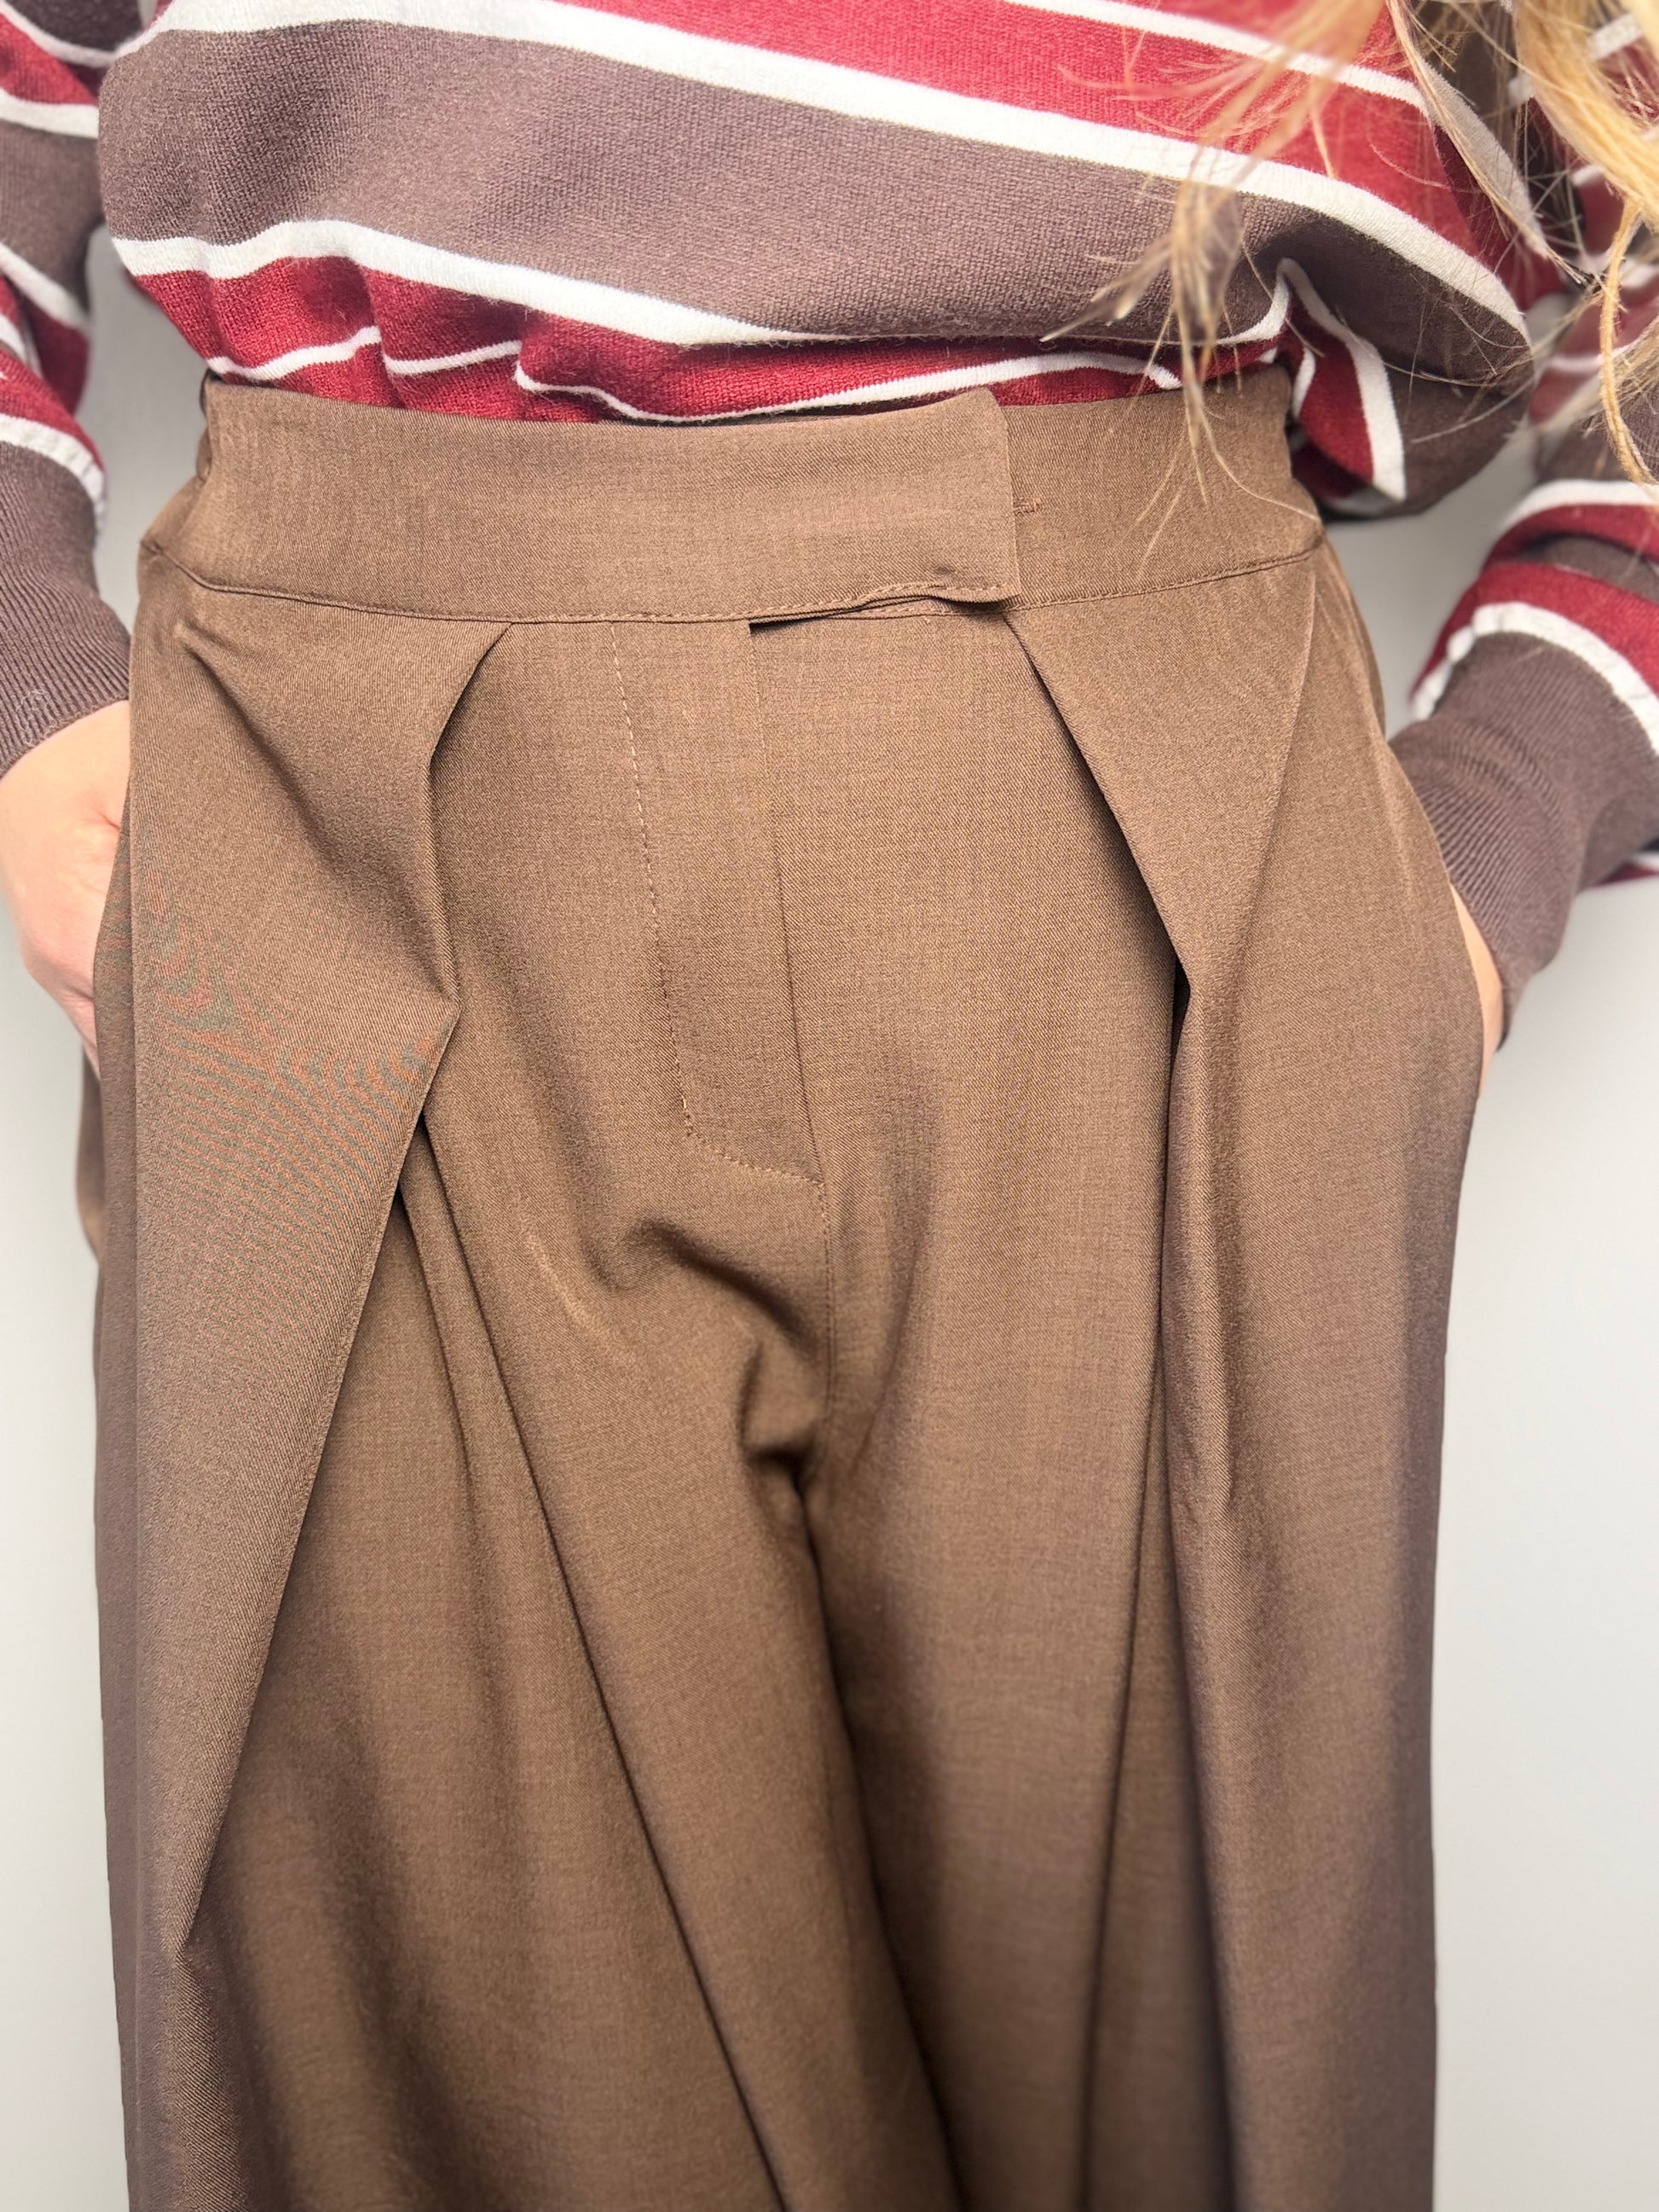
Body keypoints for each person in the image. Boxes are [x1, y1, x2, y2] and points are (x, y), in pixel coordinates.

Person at [1, 3, 1654, 2207]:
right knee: (459, 2096)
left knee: (1179, 2106)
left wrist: (1479, 846)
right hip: (351, 816)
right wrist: (23, 671)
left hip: (1149, 844)